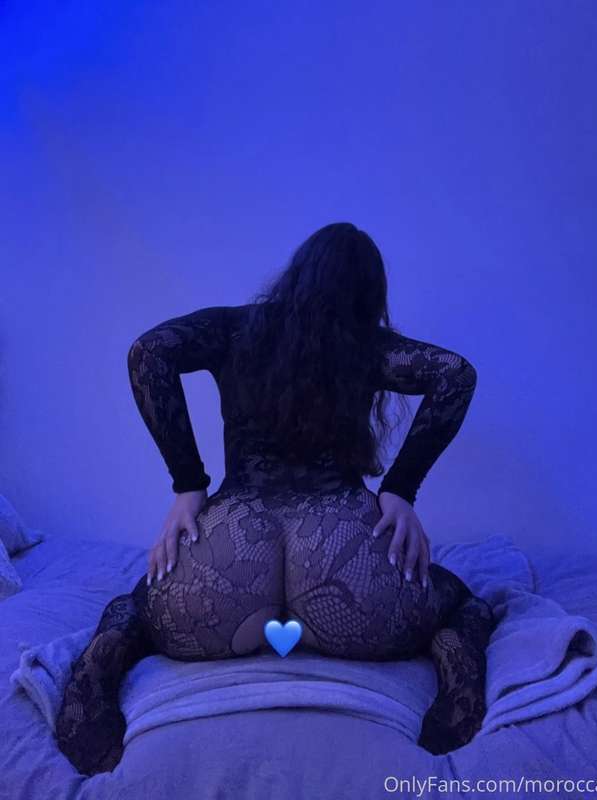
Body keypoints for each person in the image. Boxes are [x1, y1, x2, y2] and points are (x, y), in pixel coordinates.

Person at [54, 222, 495, 776]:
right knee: (464, 606)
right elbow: (455, 374)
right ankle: (458, 674)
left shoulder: (233, 329)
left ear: (296, 274)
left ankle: (96, 674)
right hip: (343, 564)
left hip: (230, 555)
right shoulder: (364, 345)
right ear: (370, 295)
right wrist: (400, 490)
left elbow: (149, 353)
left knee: (132, 610)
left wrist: (188, 483)